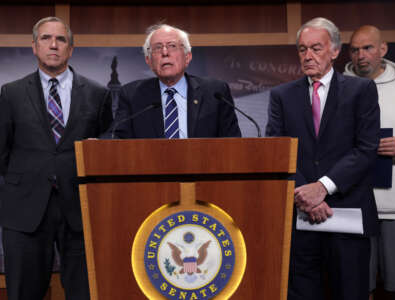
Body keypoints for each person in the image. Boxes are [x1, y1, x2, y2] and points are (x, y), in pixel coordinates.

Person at [266, 17, 380, 300]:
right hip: (301, 219)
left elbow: (366, 149)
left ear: (335, 51)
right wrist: (306, 195)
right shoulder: (282, 95)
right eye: (302, 49)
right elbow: (279, 150)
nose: (308, 56)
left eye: (316, 48)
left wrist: (323, 187)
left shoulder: (361, 91)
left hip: (347, 216)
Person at [0, 17, 113, 300]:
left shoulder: (98, 94)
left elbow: (105, 149)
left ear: (71, 48)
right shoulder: (10, 93)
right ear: (35, 47)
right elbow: (2, 152)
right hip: (24, 210)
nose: (53, 45)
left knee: (87, 292)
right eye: (46, 39)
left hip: (79, 209)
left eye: (61, 39)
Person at [107, 24, 241, 139]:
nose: (165, 52)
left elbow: (232, 143)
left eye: (172, 46)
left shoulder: (215, 92)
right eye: (158, 47)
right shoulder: (132, 95)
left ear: (187, 57)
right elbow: (118, 138)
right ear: (148, 61)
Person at [345, 25, 395, 300]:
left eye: (367, 48)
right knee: (357, 287)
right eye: (354, 49)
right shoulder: (334, 88)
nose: (360, 55)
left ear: (383, 49)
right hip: (351, 206)